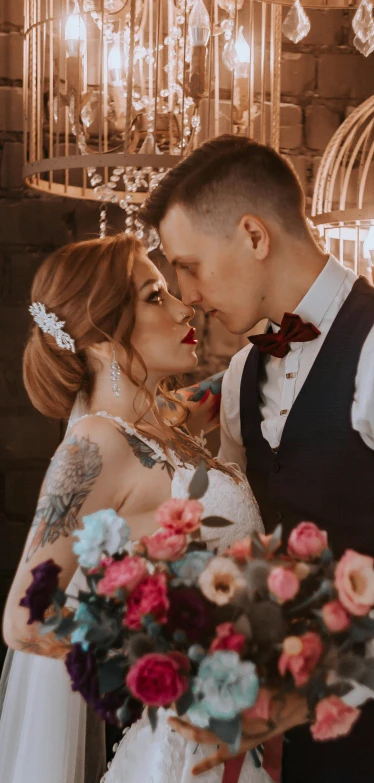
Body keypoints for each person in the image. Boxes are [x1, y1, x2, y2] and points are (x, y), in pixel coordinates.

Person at [138, 134, 374, 783]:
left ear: (254, 236)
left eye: (189, 265)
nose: (186, 292)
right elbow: (243, 540)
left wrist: (310, 689)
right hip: (298, 756)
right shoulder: (245, 370)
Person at [0, 233, 266, 783]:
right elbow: (24, 620)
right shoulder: (96, 443)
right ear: (100, 339)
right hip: (188, 739)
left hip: (246, 726)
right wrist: (161, 662)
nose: (182, 305)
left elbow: (242, 376)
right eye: (155, 296)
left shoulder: (171, 427)